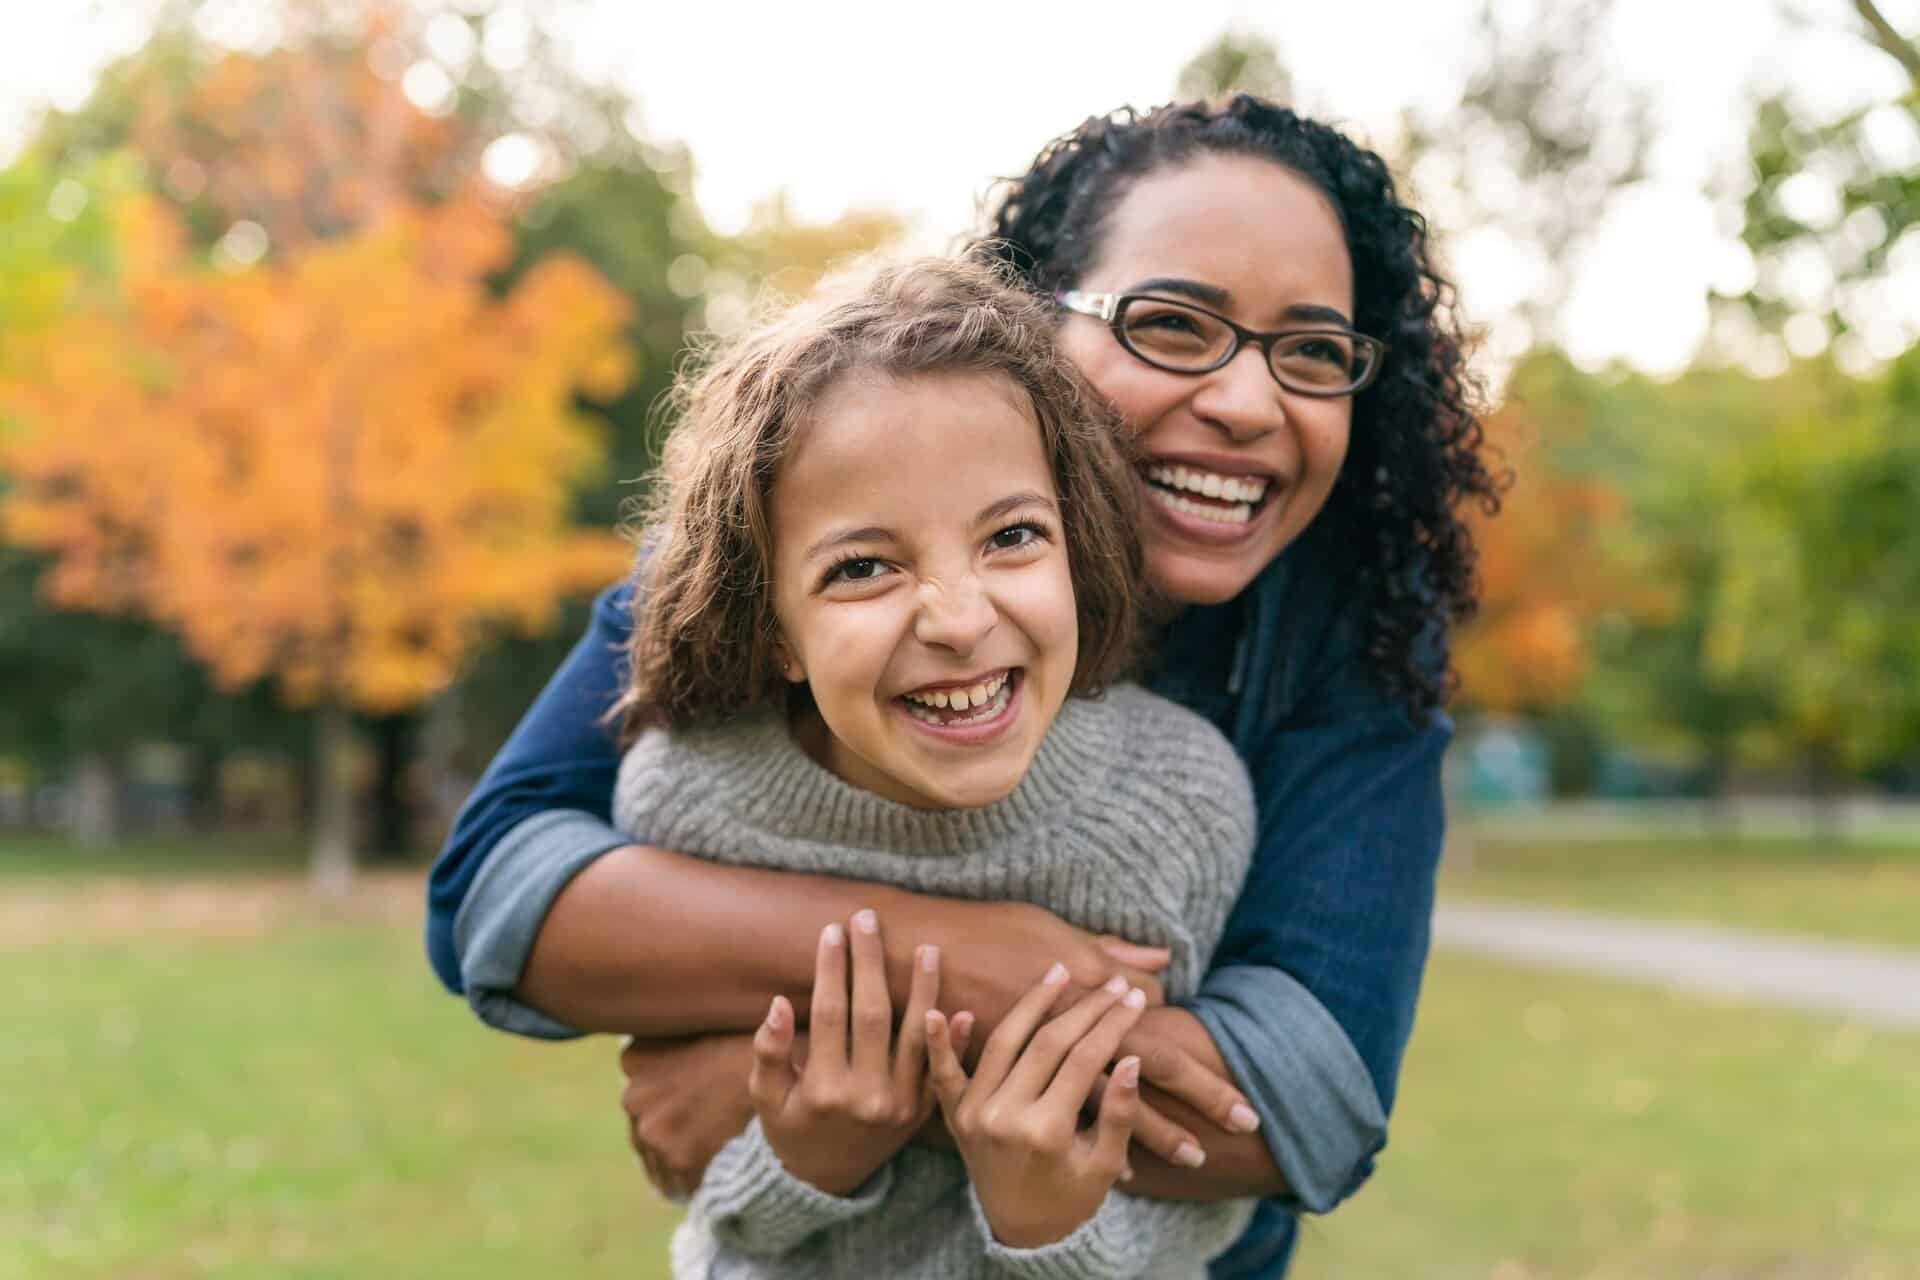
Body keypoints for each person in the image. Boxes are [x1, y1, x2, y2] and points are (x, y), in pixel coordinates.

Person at [427, 95, 1501, 1278]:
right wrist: (946, 959)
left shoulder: (1355, 645)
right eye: (1173, 325)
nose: (1248, 403)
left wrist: (779, 1073)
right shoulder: (804, 516)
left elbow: (1300, 1107)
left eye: (1310, 351)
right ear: (1034, 327)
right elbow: (503, 893)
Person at [613, 255, 1259, 1277]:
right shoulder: (692, 793)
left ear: (1076, 546)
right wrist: (803, 1160)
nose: (959, 619)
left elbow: (1206, 1189)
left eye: (1012, 535)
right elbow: (683, 1140)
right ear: (771, 623)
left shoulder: (1176, 799)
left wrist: (1048, 1221)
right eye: (863, 566)